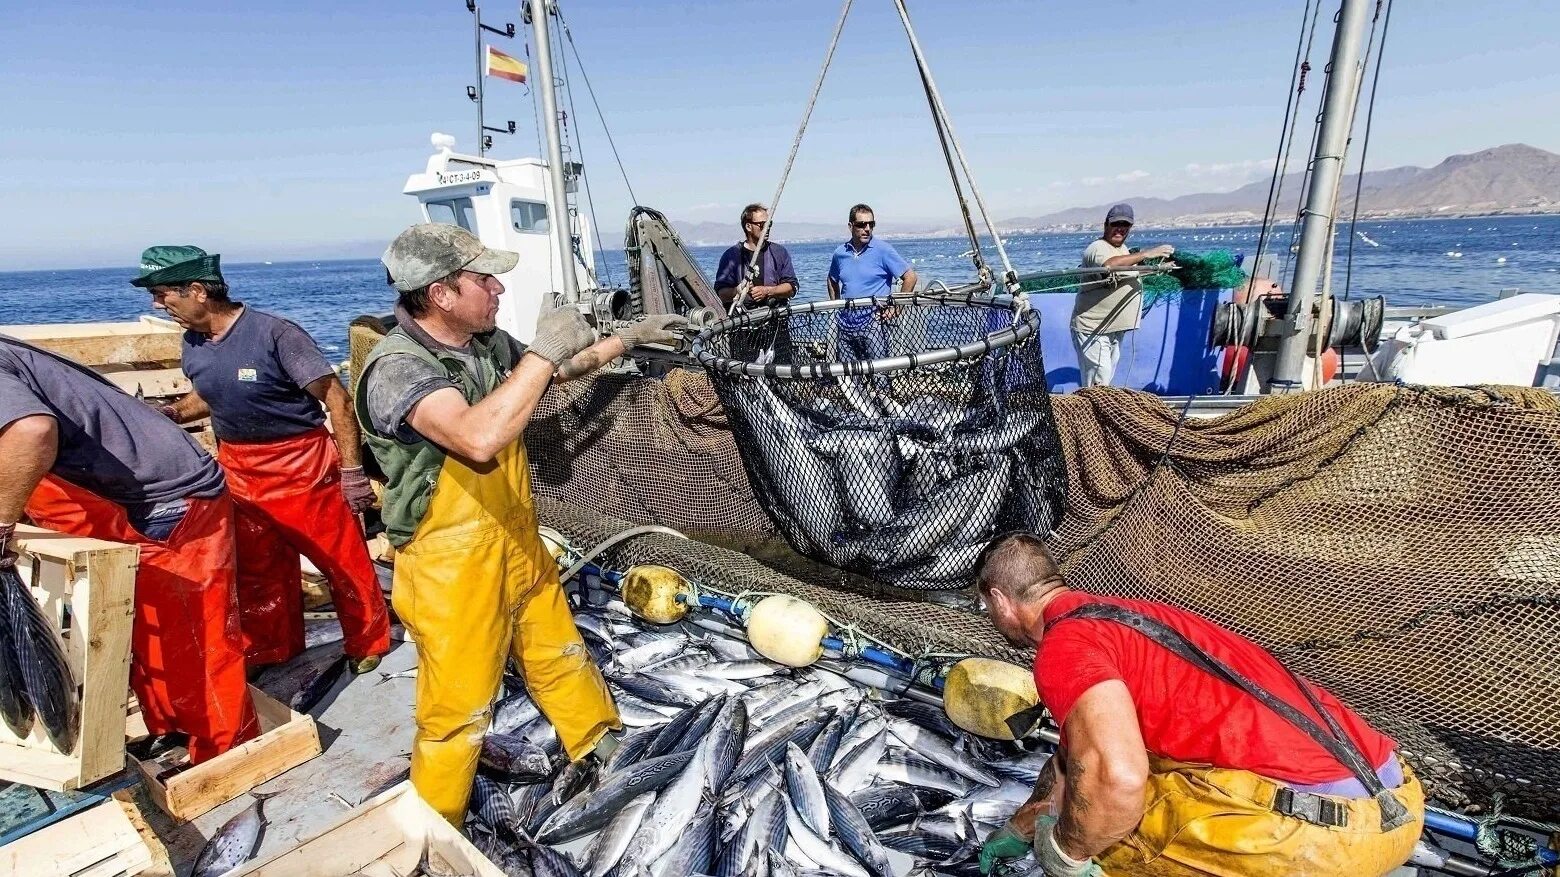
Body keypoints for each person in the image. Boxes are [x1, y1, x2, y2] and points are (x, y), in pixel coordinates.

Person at [356, 223, 687, 824]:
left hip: (514, 539)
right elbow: (478, 438)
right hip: (449, 564)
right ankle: (438, 828)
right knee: (457, 708)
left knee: (559, 650)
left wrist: (628, 340)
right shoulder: (398, 370)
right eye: (483, 279)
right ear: (441, 294)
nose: (498, 288)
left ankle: (598, 743)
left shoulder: (482, 343)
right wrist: (540, 351)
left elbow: (555, 374)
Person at [975, 532, 1423, 877]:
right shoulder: (1134, 615)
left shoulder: (1064, 646)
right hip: (1396, 799)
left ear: (999, 600)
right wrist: (1020, 828)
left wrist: (1068, 855)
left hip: (1325, 835)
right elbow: (1072, 765)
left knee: (1110, 837)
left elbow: (1117, 779)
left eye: (985, 608)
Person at [0, 335, 259, 763]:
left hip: (165, 503)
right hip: (118, 498)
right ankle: (175, 729)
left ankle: (227, 751)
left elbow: (31, 433)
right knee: (142, 629)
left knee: (196, 636)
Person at [134, 246, 391, 674]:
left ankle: (367, 641)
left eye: (163, 294)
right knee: (258, 569)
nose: (158, 304)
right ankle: (274, 648)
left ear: (197, 290)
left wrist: (351, 471)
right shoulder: (194, 343)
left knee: (340, 561)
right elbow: (210, 392)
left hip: (301, 465)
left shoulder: (275, 334)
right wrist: (176, 412)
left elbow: (337, 400)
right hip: (238, 468)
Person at [1072, 203, 1173, 387]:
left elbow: (1128, 272)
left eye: (1125, 225)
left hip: (1113, 329)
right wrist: (1147, 254)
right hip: (1094, 329)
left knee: (1105, 380)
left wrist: (1156, 268)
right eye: (1116, 224)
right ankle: (1094, 414)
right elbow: (1110, 266)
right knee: (1099, 383)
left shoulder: (1123, 249)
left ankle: (1099, 413)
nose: (1120, 229)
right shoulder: (1098, 248)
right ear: (1106, 225)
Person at [827, 203, 917, 362]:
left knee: (879, 374)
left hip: (874, 324)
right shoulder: (840, 253)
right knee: (849, 376)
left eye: (871, 224)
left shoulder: (883, 250)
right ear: (850, 226)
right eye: (861, 225)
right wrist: (837, 307)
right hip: (846, 324)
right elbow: (832, 279)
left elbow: (910, 277)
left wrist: (897, 308)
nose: (867, 228)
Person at [714, 203, 799, 308]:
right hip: (743, 320)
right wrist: (739, 290)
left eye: (769, 223)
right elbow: (721, 294)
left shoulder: (779, 252)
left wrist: (768, 291)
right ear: (748, 226)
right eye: (763, 224)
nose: (767, 228)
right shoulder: (730, 257)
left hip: (775, 318)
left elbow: (792, 287)